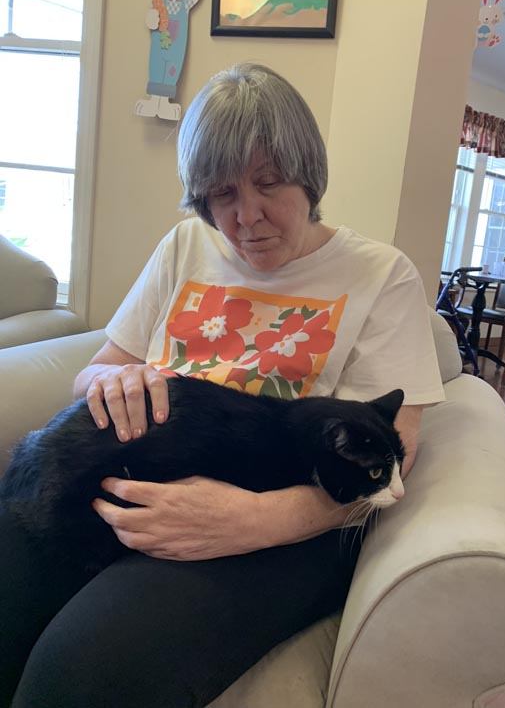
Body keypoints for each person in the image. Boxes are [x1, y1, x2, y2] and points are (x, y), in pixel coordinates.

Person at [0, 62, 444, 707]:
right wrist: (114, 379)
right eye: (221, 194)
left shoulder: (382, 275)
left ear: (308, 174)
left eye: (268, 184)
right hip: (124, 486)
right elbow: (94, 371)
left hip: (272, 527)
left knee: (77, 676)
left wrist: (252, 520)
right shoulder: (185, 245)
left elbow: (399, 447)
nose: (246, 218)